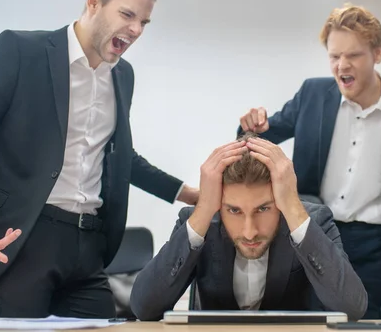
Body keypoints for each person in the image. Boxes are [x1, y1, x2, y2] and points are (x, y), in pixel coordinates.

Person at [0, 0, 198, 318]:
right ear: (93, 2)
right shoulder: (20, 51)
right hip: (22, 241)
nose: (136, 29)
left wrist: (188, 194)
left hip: (88, 247)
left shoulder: (122, 75)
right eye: (127, 14)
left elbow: (121, 157)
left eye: (143, 21)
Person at [238, 4, 381, 318]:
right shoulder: (312, 94)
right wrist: (249, 127)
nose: (342, 66)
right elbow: (256, 140)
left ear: (377, 53)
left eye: (353, 55)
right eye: (334, 56)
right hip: (316, 237)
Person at [129, 133, 368, 321]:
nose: (249, 231)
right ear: (219, 205)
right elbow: (144, 308)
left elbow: (352, 307)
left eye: (263, 209)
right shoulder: (201, 221)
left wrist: (293, 207)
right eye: (234, 210)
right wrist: (203, 210)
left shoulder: (313, 220)